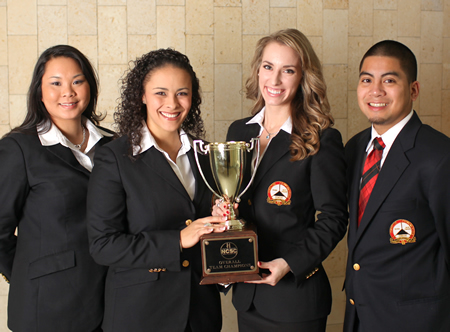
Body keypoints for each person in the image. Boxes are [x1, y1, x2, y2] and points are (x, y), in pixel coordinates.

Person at [213, 29, 348, 331]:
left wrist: (289, 263)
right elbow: (236, 200)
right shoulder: (239, 132)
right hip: (247, 296)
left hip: (295, 301)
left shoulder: (321, 139)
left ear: (303, 77)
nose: (274, 81)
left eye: (288, 70)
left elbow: (334, 219)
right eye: (268, 67)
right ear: (258, 69)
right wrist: (221, 210)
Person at [87, 48, 226, 332]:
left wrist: (220, 220)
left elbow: (204, 229)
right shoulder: (114, 157)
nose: (172, 104)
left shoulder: (204, 154)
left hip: (199, 313)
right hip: (140, 314)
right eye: (160, 93)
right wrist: (177, 240)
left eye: (182, 93)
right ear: (142, 95)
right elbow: (103, 246)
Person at [0, 45, 113, 331]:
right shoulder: (19, 148)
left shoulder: (115, 146)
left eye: (77, 81)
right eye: (56, 83)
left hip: (112, 300)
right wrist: (31, 272)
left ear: (90, 85)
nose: (68, 92)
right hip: (48, 307)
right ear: (39, 90)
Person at [344, 40, 450, 331]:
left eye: (389, 80)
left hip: (418, 321)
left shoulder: (439, 156)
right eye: (367, 80)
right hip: (360, 316)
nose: (375, 91)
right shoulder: (354, 149)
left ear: (413, 90)